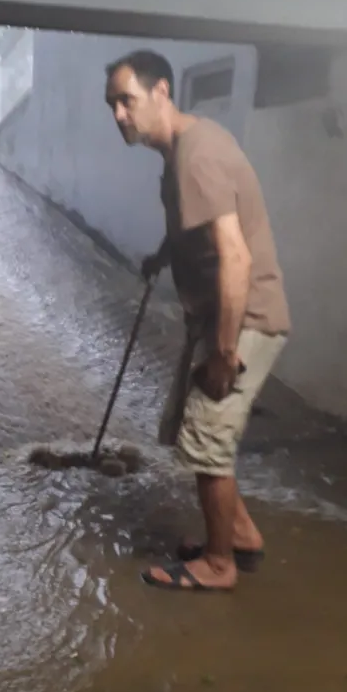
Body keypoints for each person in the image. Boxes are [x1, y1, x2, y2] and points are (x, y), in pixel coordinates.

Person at [104, 49, 290, 592]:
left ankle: (218, 563)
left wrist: (225, 353)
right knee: (189, 432)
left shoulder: (196, 155)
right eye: (112, 104)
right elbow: (198, 227)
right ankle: (242, 538)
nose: (119, 114)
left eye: (127, 100)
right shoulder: (181, 154)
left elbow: (235, 257)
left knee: (208, 439)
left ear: (162, 91)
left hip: (243, 318)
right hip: (217, 316)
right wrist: (164, 256)